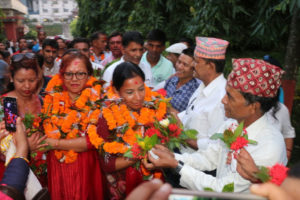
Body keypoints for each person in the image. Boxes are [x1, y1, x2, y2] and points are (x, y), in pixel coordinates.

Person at [145, 58, 287, 192]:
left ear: (253, 106)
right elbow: (209, 158)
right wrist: (173, 157)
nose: (223, 100)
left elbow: (224, 189)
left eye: (229, 96)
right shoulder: (232, 125)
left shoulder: (270, 146)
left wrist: (176, 166)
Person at [42, 51, 104, 199]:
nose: (74, 79)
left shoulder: (98, 103)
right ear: (61, 76)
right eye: (69, 74)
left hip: (86, 167)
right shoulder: (51, 100)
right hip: (57, 165)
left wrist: (55, 143)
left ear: (89, 75)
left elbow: (91, 142)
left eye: (80, 74)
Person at [98, 62, 164, 199]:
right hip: (123, 188)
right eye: (130, 92)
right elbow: (107, 164)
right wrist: (140, 154)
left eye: (141, 89)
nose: (138, 97)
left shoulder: (154, 108)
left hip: (154, 183)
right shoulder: (108, 117)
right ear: (116, 90)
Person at [176, 37, 228, 153]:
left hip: (201, 166)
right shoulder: (203, 85)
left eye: (197, 61)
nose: (193, 65)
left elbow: (216, 145)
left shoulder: (222, 98)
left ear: (211, 66)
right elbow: (191, 113)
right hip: (185, 156)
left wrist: (184, 138)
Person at [164, 47, 200, 112]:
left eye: (185, 65)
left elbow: (188, 117)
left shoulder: (195, 90)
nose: (180, 67)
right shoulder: (172, 79)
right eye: (179, 62)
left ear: (194, 68)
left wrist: (166, 107)